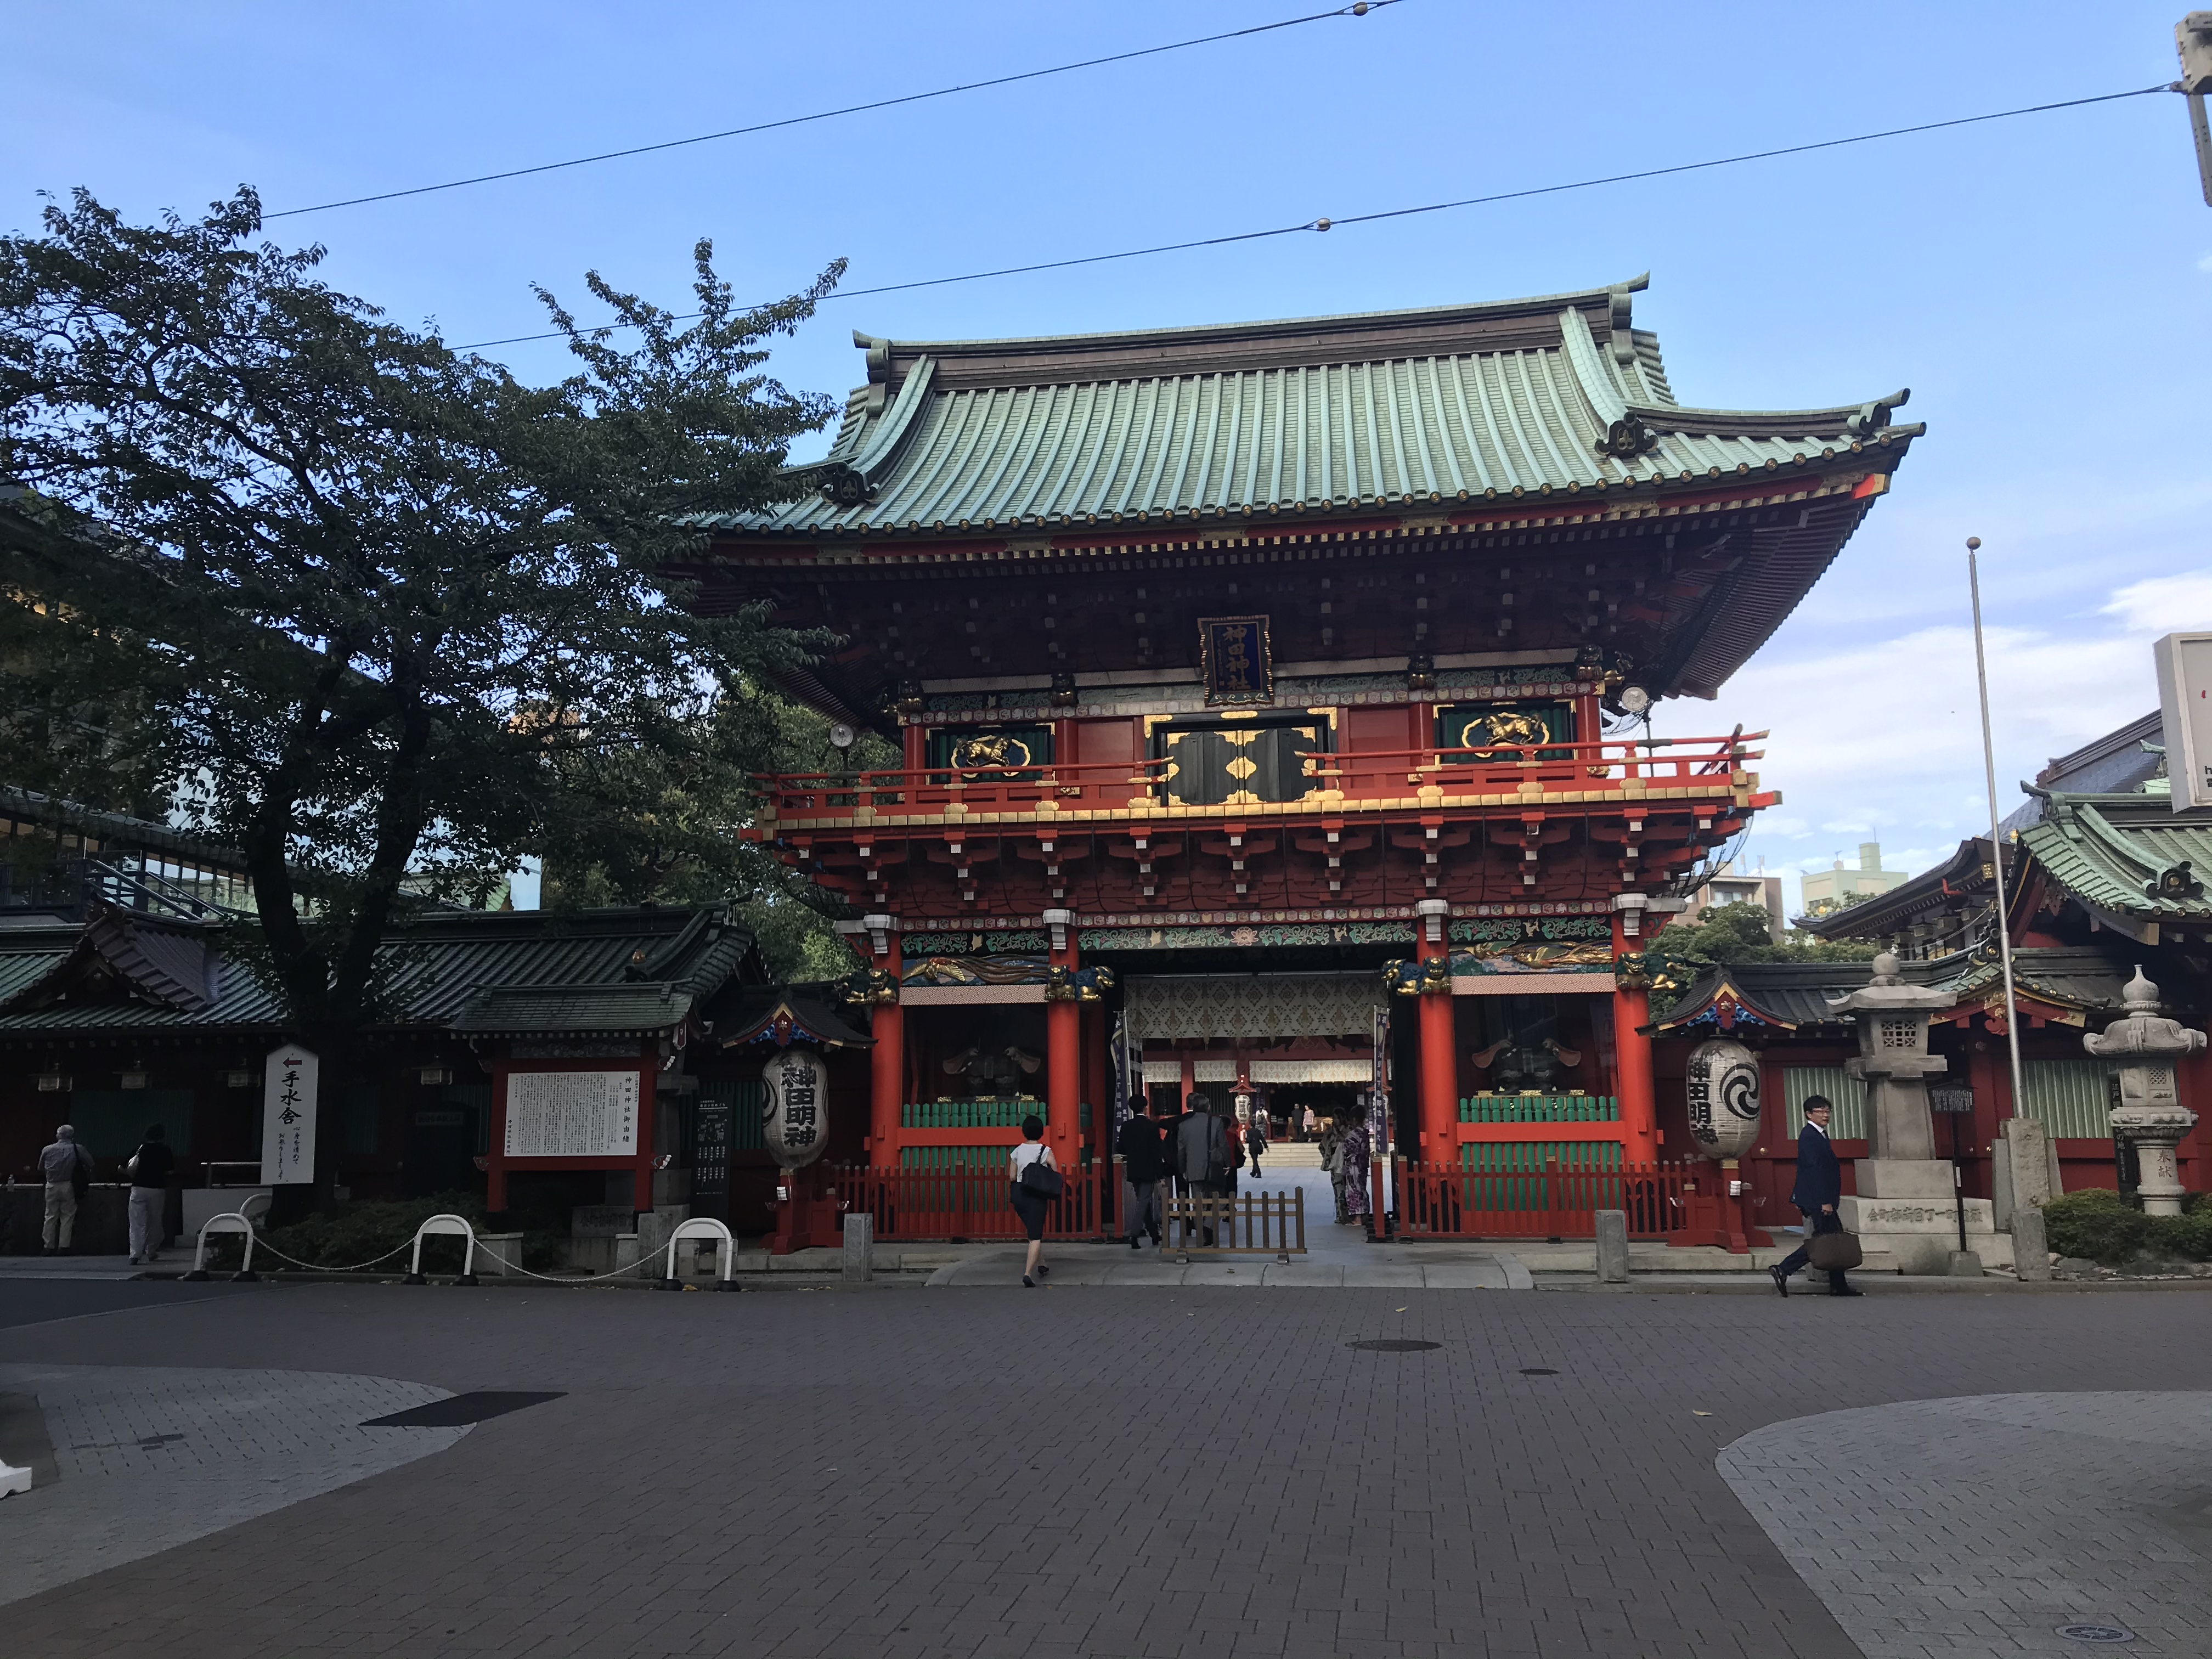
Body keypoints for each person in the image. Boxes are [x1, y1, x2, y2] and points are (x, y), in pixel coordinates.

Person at [1770, 1096, 1860, 1297]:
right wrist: (1824, 1201)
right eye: (1820, 1111)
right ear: (1808, 1114)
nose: (1826, 1115)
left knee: (1833, 1239)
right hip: (1818, 1200)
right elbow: (1814, 1171)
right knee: (1822, 1242)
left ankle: (1838, 1285)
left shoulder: (1819, 1134)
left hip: (1822, 1199)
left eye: (1828, 1110)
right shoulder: (1809, 1136)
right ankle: (1783, 1269)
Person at [1175, 1091, 1234, 1244]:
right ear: (1208, 1107)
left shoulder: (1183, 1126)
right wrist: (1228, 1164)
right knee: (1220, 1200)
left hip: (1193, 1169)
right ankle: (1209, 1225)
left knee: (1198, 1201)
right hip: (1213, 1167)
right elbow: (1223, 1145)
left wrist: (1183, 1170)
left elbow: (1181, 1150)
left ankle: (1202, 1233)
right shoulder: (1216, 1123)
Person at [1008, 1114, 1058, 1287]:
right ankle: (1027, 1274)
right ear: (1041, 1132)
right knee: (1035, 1236)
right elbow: (1055, 1171)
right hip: (1036, 1196)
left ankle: (1042, 1264)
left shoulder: (1017, 1151)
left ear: (1024, 1132)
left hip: (1019, 1195)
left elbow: (1012, 1176)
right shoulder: (1045, 1151)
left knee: (1032, 1231)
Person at [1117, 1098, 1165, 1250]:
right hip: (1148, 1169)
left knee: (1143, 1202)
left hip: (1133, 1168)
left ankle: (1154, 1234)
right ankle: (1134, 1234)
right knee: (1144, 1201)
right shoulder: (1151, 1127)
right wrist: (1161, 1174)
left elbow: (1121, 1148)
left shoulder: (1126, 1126)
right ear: (1145, 1108)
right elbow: (1156, 1152)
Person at [125, 1124, 176, 1266]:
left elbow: (123, 1167)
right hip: (157, 1189)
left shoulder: (139, 1149)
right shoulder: (165, 1150)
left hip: (138, 1188)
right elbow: (170, 1171)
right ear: (162, 1136)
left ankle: (135, 1254)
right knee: (155, 1221)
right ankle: (151, 1249)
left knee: (136, 1223)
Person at [39, 1125, 93, 1256]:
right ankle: (64, 1246)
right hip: (69, 1185)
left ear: (58, 1135)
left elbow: (40, 1168)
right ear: (72, 1136)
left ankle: (48, 1246)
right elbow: (91, 1163)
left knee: (50, 1216)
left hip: (51, 1184)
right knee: (68, 1216)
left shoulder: (47, 1149)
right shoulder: (78, 1149)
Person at [1340, 1116, 1373, 1232]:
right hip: (1363, 1164)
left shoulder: (1353, 1134)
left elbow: (1347, 1150)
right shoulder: (1364, 1133)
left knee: (1354, 1190)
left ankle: (1357, 1218)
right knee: (1362, 1189)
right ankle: (1364, 1215)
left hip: (1353, 1165)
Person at [1318, 1115, 1347, 1221]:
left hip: (1347, 1165)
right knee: (1338, 1191)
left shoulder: (1348, 1131)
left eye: (1337, 1117)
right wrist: (1329, 1159)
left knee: (1348, 1191)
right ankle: (1340, 1215)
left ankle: (1349, 1214)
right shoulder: (1330, 1132)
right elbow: (1322, 1146)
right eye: (1334, 1118)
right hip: (1335, 1165)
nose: (1335, 1120)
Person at [1245, 1101, 1268, 1177]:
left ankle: (1259, 1173)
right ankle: (1253, 1172)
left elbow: (1249, 1140)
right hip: (1258, 1146)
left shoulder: (1249, 1131)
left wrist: (1246, 1140)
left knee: (1255, 1160)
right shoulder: (1258, 1131)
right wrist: (1266, 1147)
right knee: (1255, 1159)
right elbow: (1262, 1139)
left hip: (1252, 1147)